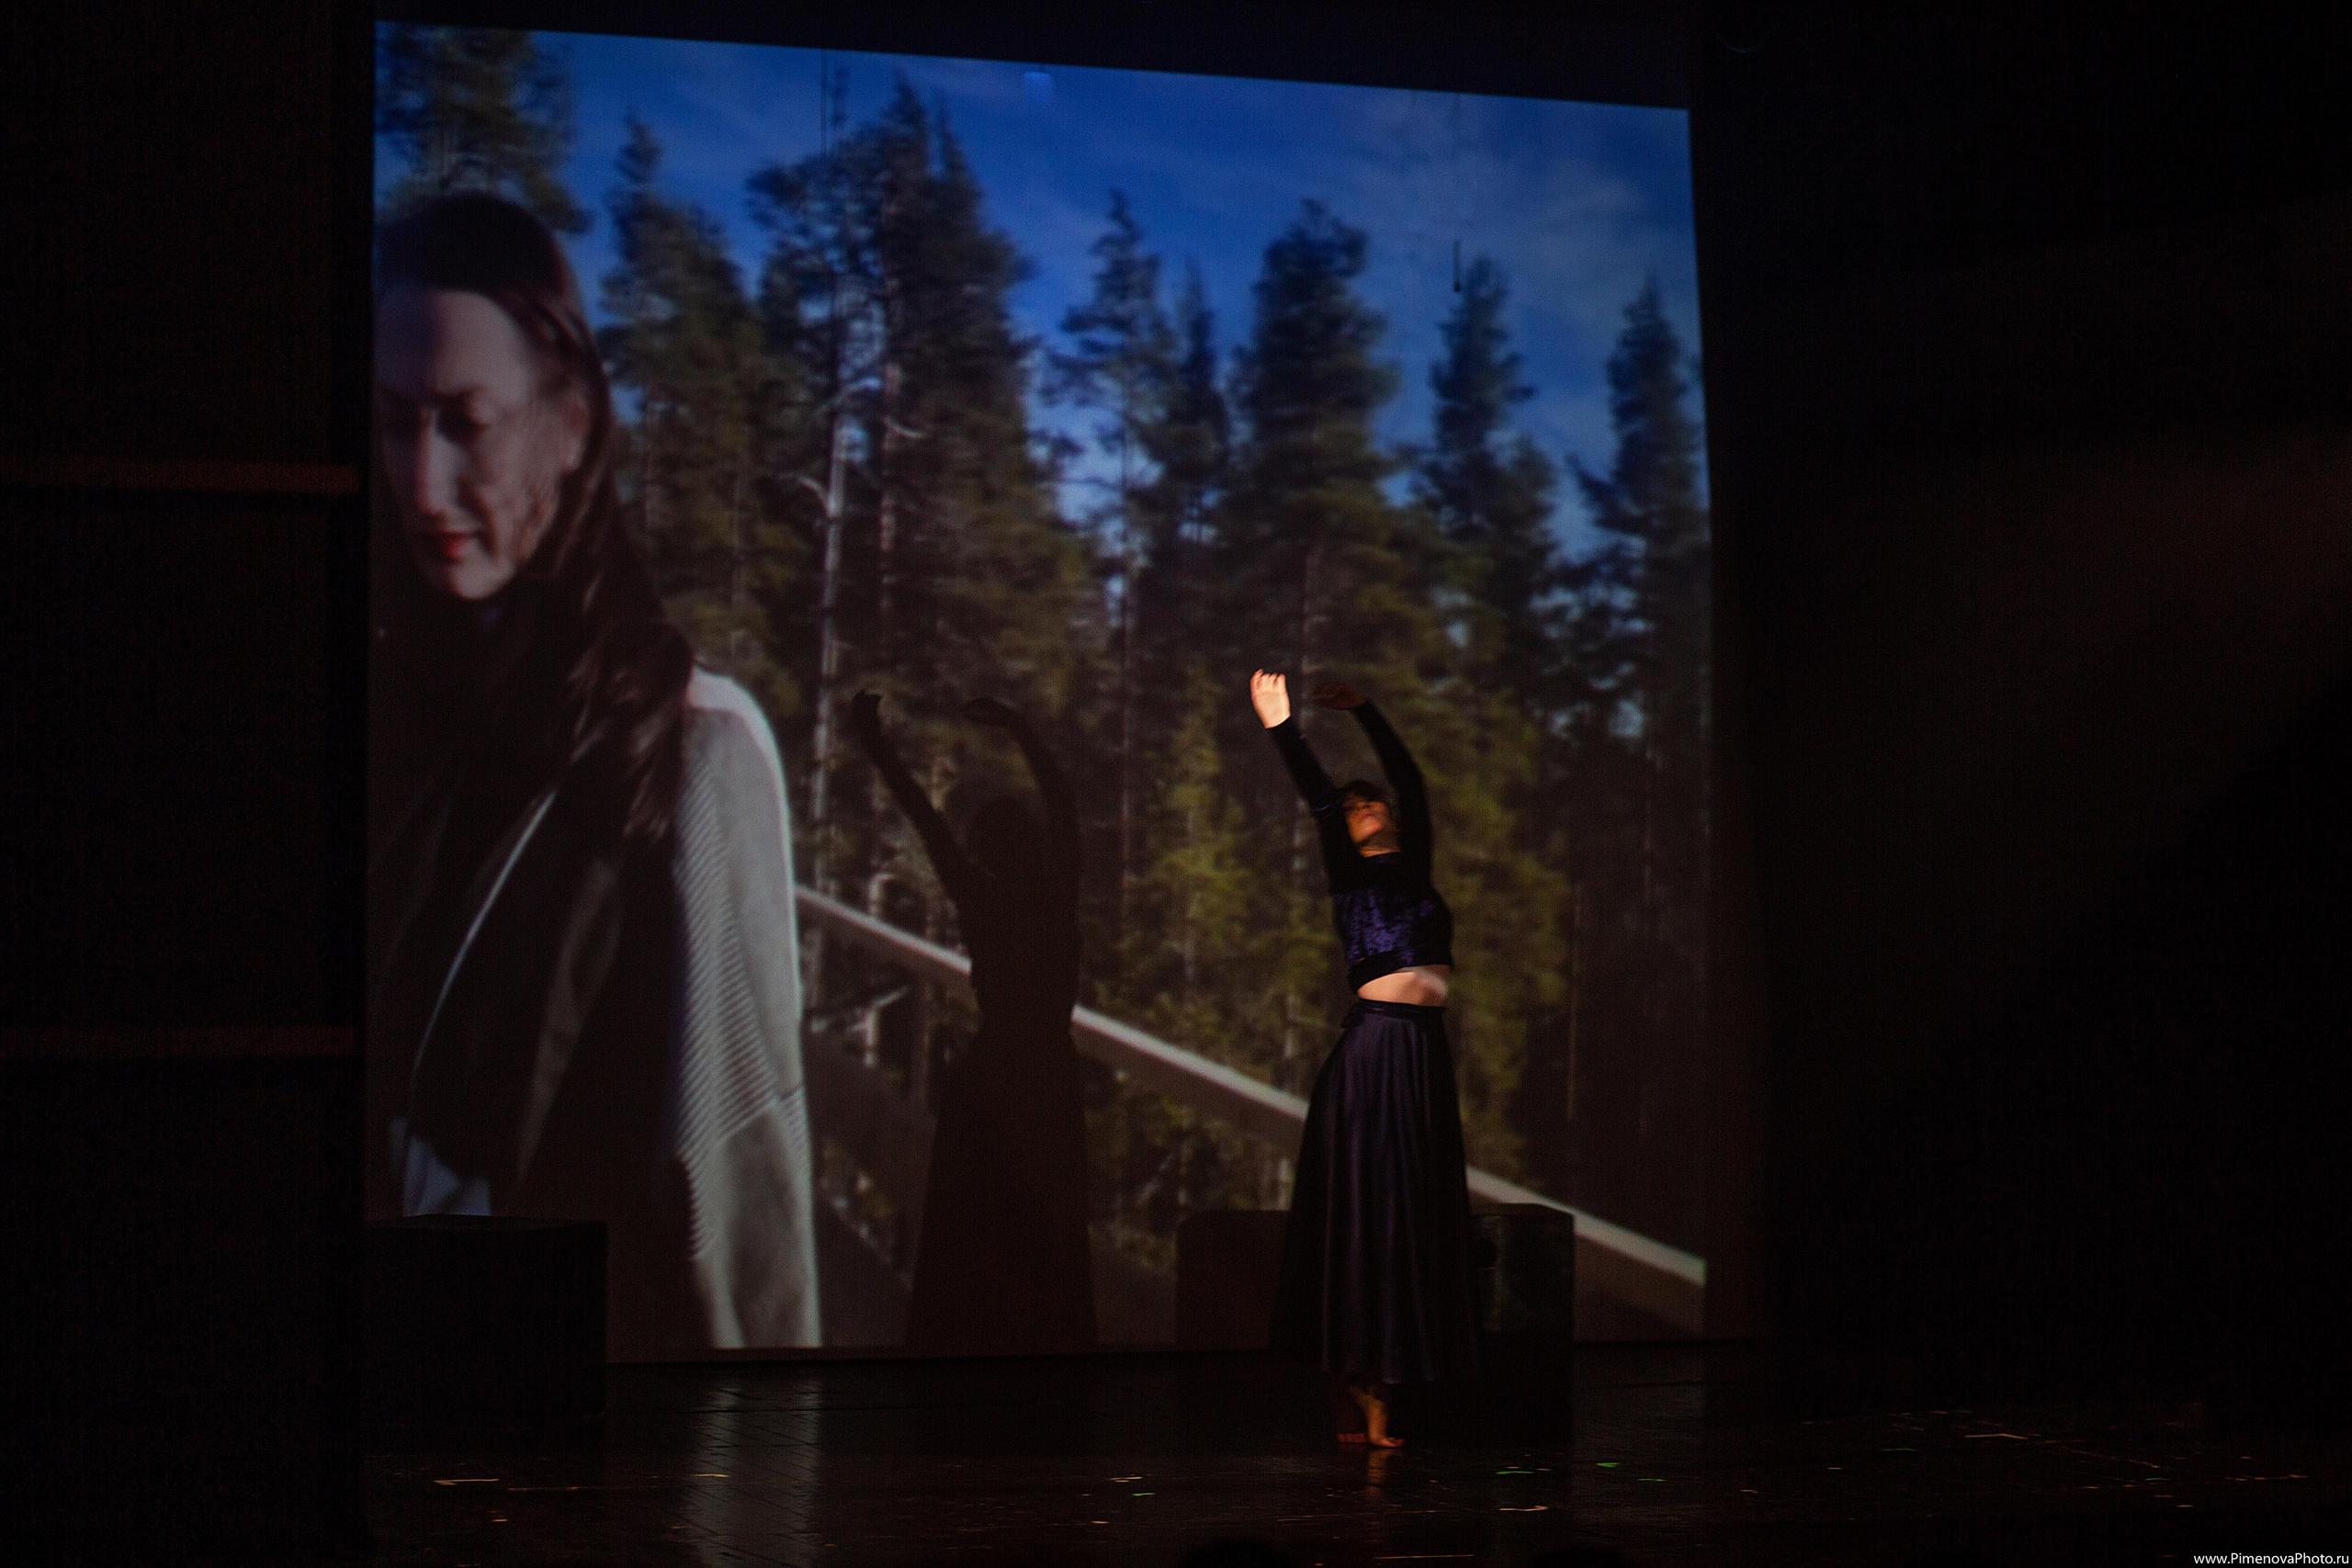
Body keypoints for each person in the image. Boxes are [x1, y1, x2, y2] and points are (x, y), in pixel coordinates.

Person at [366, 193, 818, 1355]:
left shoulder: (691, 753)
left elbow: (739, 1200)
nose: (421, 485)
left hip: (584, 1450)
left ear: (570, 424)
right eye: (392, 421)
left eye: (465, 422)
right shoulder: (384, 721)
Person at [1250, 670, 1479, 1446]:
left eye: (1370, 799)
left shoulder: (1415, 865)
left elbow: (1411, 779)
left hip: (1419, 1057)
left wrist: (1370, 710)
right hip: (1375, 1052)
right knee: (1367, 1217)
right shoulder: (1350, 875)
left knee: (1409, 1217)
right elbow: (1318, 798)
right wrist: (1283, 727)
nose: (1367, 806)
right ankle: (1359, 1381)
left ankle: (1373, 1382)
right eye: (1354, 807)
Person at [848, 691, 1097, 1353]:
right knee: (1043, 1246)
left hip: (992, 1083)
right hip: (1042, 1082)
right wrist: (1022, 729)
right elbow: (1064, 807)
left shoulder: (982, 896)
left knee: (975, 1246)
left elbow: (926, 821)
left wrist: (877, 746)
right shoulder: (1054, 897)